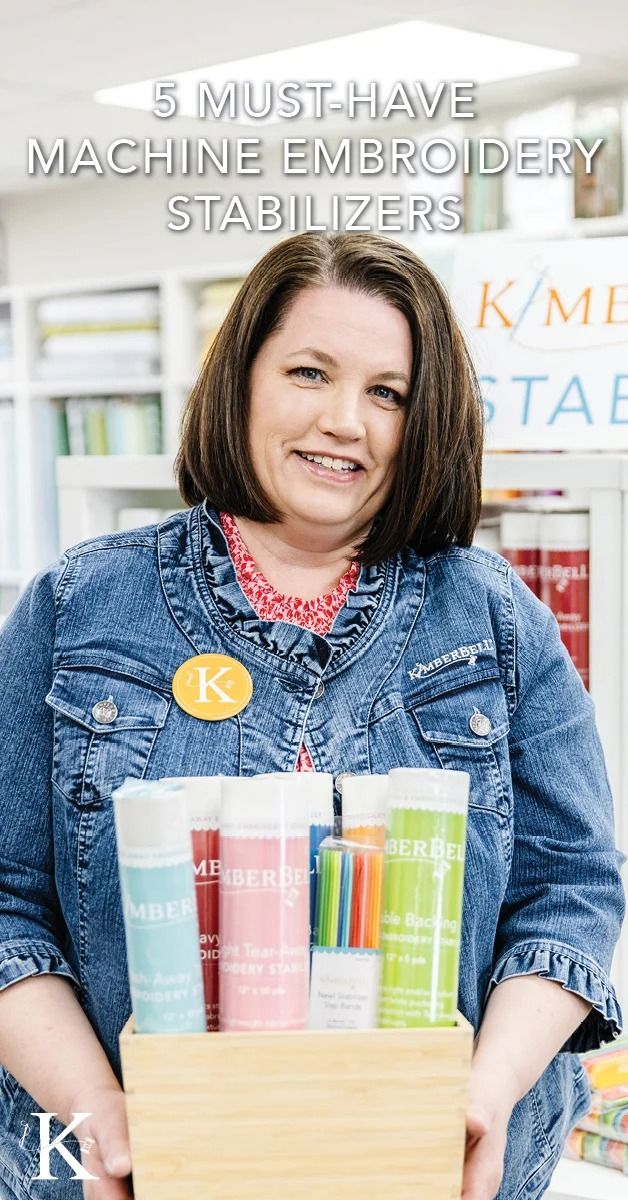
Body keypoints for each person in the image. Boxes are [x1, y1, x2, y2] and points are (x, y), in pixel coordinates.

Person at [0, 230, 624, 1200]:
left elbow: (570, 893)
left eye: (388, 393)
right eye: (307, 372)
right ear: (240, 378)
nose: (344, 421)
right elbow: (6, 909)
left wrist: (483, 1098)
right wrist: (109, 1124)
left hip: (426, 1167)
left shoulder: (498, 621)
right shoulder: (77, 609)